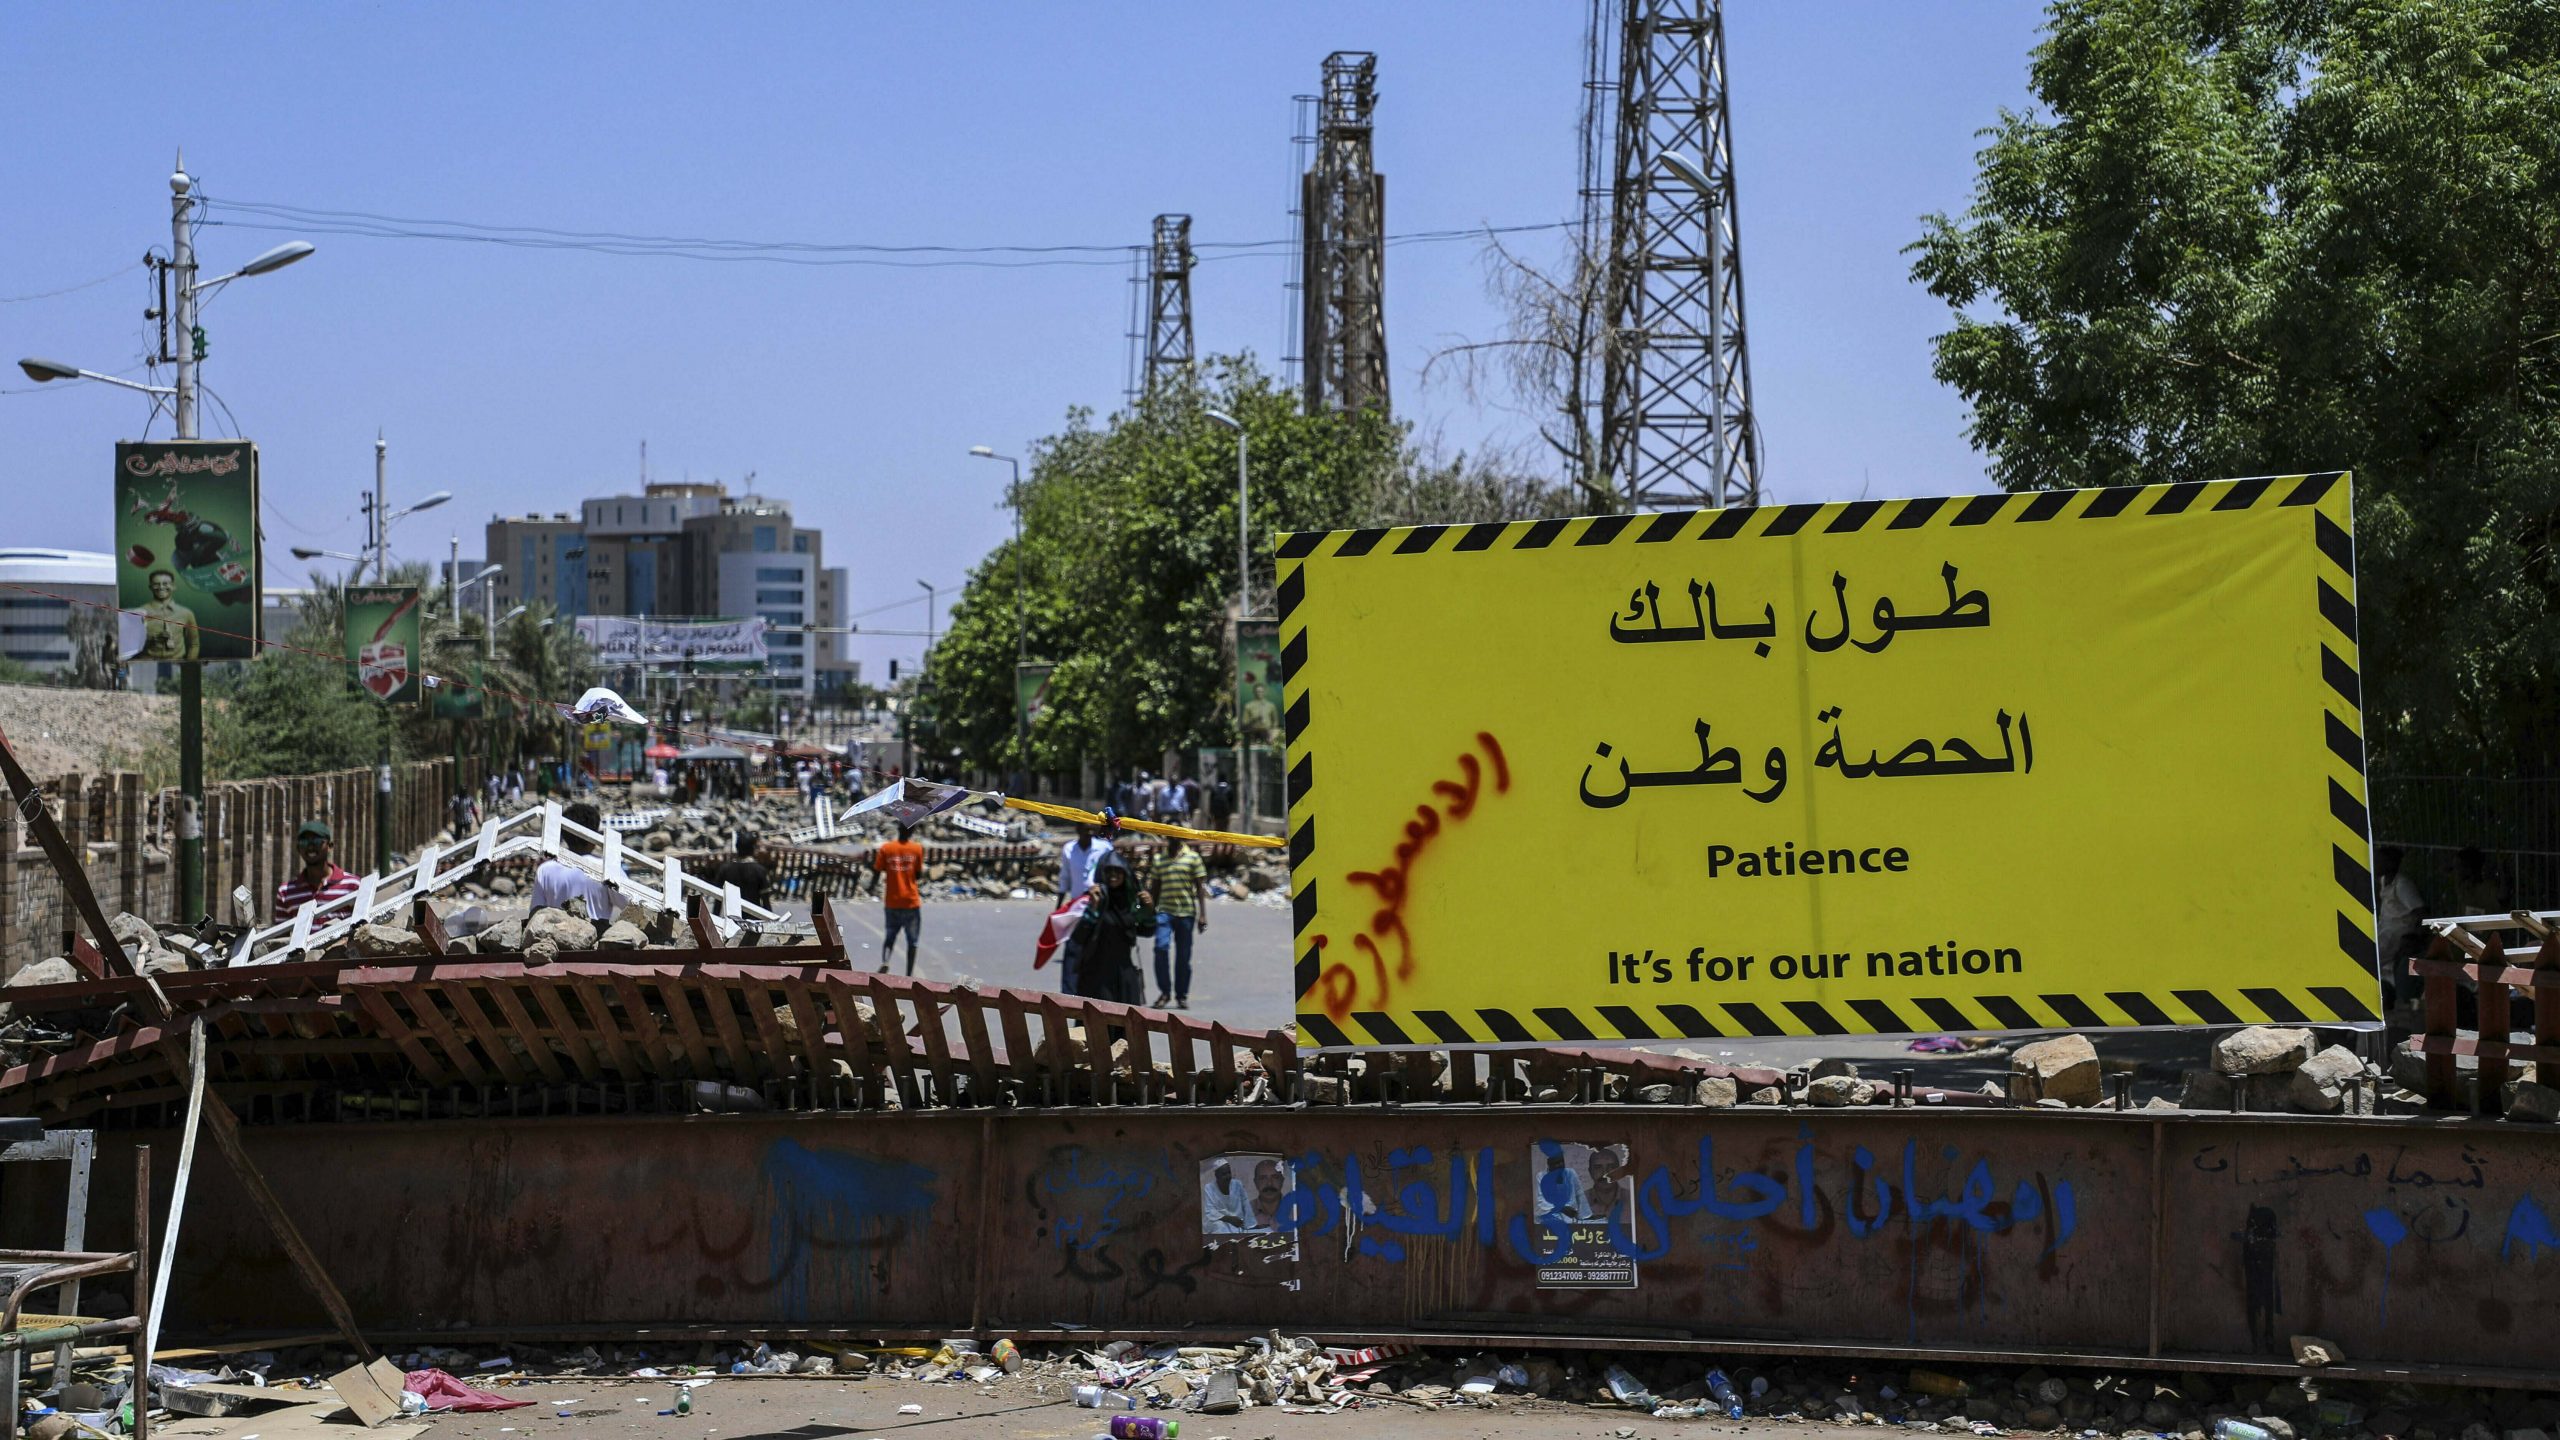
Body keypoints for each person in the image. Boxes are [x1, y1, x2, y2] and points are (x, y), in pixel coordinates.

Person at [1065, 851, 1150, 1003]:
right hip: (1096, 975)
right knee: (1097, 1023)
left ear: (1125, 874)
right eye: (1109, 871)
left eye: (1118, 871)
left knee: (1127, 1022)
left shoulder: (1130, 902)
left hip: (1124, 974)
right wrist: (1093, 909)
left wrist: (1149, 910)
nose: (1113, 875)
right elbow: (1077, 938)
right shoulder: (1092, 899)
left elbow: (1147, 930)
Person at [1144, 833, 1208, 1009]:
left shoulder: (1193, 857)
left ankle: (1181, 995)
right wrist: (1149, 912)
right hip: (1164, 911)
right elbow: (1155, 887)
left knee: (1183, 956)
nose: (1173, 838)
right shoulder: (1159, 859)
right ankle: (1165, 992)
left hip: (1186, 912)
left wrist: (1203, 915)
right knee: (1160, 948)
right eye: (1170, 834)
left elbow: (1200, 888)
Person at [531, 800, 616, 920]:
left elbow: (536, 912)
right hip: (598, 935)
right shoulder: (606, 868)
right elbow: (627, 903)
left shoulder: (545, 870)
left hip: (559, 936)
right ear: (593, 836)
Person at [274, 818, 360, 920]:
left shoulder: (353, 885)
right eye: (304, 842)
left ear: (330, 846)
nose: (310, 847)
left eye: (317, 841)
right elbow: (281, 935)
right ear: (298, 848)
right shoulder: (286, 892)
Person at [2374, 845, 2427, 1010]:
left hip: (2398, 934)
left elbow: (2420, 910)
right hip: (2384, 931)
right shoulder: (2384, 881)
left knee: (2368, 960)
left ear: (2391, 863)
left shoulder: (2403, 885)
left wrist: (2415, 936)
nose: (2375, 863)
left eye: (2380, 860)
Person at [873, 823, 924, 975]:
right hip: (911, 901)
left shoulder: (886, 849)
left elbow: (877, 870)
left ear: (898, 829)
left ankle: (886, 961)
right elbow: (918, 874)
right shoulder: (917, 849)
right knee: (913, 942)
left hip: (892, 901)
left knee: (890, 936)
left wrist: (871, 886)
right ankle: (909, 973)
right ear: (912, 830)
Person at [137, 570, 199, 661]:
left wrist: (188, 665)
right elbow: (132, 646)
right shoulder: (139, 613)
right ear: (150, 587)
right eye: (156, 584)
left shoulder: (186, 613)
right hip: (148, 664)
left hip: (177, 664)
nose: (161, 587)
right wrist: (152, 639)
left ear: (174, 586)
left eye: (165, 584)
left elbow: (194, 644)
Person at [1059, 822, 1115, 903]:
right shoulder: (1069, 849)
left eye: (1092, 830)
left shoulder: (1105, 848)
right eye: (1086, 829)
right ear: (1078, 830)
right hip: (1077, 901)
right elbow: (1065, 877)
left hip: (1099, 901)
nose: (1090, 832)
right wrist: (1059, 904)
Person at [716, 830, 771, 909]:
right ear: (753, 849)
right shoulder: (760, 870)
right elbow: (766, 902)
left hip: (732, 919)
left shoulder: (724, 870)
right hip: (754, 918)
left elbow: (717, 901)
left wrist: (713, 919)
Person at [1202, 1159, 1257, 1233]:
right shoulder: (1209, 1188)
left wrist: (1251, 1225)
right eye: (1224, 1174)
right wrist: (1229, 1219)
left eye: (1229, 1172)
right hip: (1217, 1220)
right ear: (1216, 1175)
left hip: (1237, 1221)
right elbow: (1210, 1211)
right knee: (1220, 1227)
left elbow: (1246, 1205)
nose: (1228, 1176)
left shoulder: (1238, 1185)